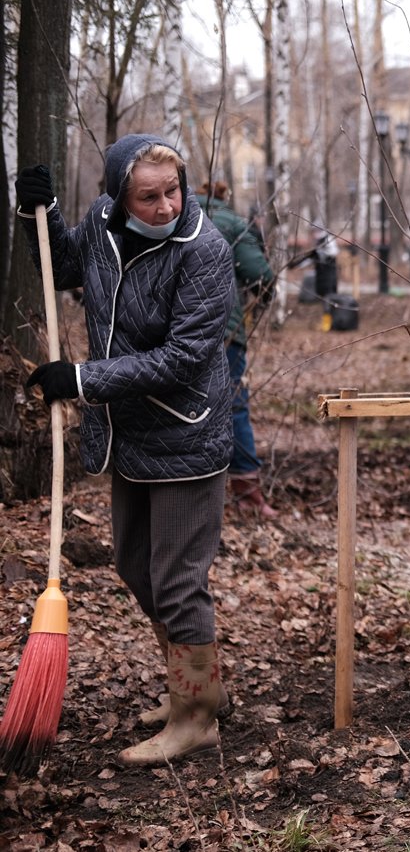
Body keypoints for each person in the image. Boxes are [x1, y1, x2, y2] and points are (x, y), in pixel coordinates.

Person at [17, 134, 235, 766]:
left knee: (176, 581)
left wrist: (83, 380)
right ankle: (200, 687)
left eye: (174, 190)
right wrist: (41, 212)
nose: (166, 205)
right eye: (149, 196)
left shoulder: (206, 252)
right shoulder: (104, 225)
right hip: (131, 432)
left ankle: (196, 718)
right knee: (135, 567)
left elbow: (185, 358)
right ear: (119, 197)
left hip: (187, 434)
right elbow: (65, 267)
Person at [196, 180, 278, 518]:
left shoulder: (173, 214)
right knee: (232, 406)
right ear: (223, 196)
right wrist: (262, 301)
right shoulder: (230, 222)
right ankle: (247, 494)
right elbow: (261, 274)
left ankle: (193, 493)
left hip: (171, 330)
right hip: (224, 330)